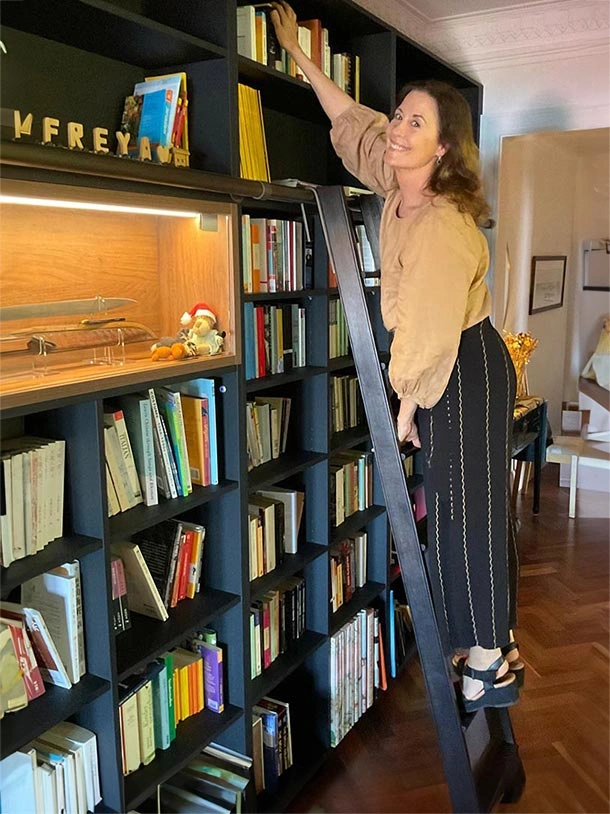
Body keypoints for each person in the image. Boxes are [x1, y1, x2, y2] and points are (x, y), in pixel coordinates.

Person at [270, 1, 522, 712]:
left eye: (417, 123)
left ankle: (489, 658)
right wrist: (298, 56)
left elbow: (429, 327)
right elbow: (352, 120)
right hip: (447, 364)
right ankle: (488, 640)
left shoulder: (442, 220)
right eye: (401, 116)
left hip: (462, 366)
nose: (399, 129)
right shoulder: (396, 188)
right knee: (453, 505)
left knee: (464, 511)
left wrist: (405, 403)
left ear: (443, 149)